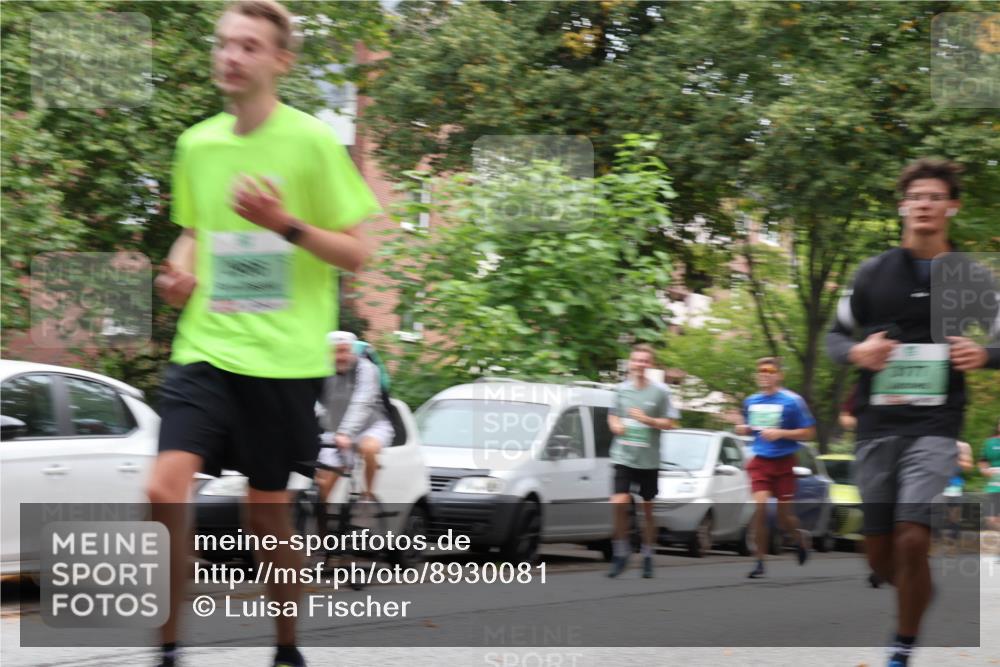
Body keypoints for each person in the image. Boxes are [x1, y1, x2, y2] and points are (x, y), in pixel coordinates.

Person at [147, 3, 380, 666]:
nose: (231, 56)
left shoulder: (309, 143)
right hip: (206, 349)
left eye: (249, 46)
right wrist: (177, 272)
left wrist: (284, 223)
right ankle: (167, 649)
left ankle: (285, 645)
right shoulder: (197, 144)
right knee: (163, 489)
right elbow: (194, 230)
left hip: (282, 359)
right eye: (224, 44)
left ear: (281, 60)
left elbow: (357, 253)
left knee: (265, 512)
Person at [826, 158, 999, 667]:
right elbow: (835, 336)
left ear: (951, 207)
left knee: (913, 536)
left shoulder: (971, 276)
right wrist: (857, 353)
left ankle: (902, 643)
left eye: (935, 196)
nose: (924, 204)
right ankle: (917, 591)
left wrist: (985, 355)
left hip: (936, 424)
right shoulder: (873, 272)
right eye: (916, 196)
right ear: (904, 206)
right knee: (880, 554)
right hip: (878, 424)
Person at [735, 357, 817, 579]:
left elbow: (809, 432)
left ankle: (799, 537)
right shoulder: (751, 401)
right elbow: (752, 428)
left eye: (770, 370)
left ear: (779, 375)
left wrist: (782, 433)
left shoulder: (792, 401)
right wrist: (743, 428)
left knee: (783, 517)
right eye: (760, 370)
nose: (764, 374)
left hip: (784, 461)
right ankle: (760, 561)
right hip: (760, 461)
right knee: (760, 509)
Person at [607, 343, 677, 578]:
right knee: (618, 502)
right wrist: (615, 425)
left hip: (648, 460)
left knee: (647, 511)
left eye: (644, 361)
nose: (640, 364)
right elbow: (613, 415)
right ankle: (621, 552)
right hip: (623, 456)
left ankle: (647, 554)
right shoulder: (620, 390)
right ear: (630, 362)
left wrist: (648, 420)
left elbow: (671, 423)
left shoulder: (660, 392)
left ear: (650, 364)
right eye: (636, 360)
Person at [315, 331, 394, 503]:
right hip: (336, 430)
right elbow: (314, 402)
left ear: (352, 351)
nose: (340, 356)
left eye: (344, 351)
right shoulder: (322, 370)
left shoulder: (366, 368)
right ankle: (319, 528)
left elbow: (362, 401)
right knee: (322, 488)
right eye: (336, 351)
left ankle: (367, 496)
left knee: (368, 448)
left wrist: (345, 432)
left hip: (372, 425)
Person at [979, 420, 1000, 546]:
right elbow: (983, 461)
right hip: (993, 484)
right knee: (990, 519)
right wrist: (984, 470)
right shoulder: (989, 442)